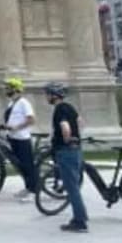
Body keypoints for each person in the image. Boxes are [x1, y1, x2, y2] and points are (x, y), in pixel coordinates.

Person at [45, 82, 88, 233]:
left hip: (66, 151)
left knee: (72, 188)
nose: (47, 97)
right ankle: (80, 218)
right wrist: (77, 137)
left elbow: (65, 127)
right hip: (76, 150)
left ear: (54, 95)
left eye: (48, 94)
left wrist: (67, 139)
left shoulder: (59, 109)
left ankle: (80, 221)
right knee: (74, 185)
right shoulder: (70, 107)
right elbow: (80, 122)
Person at [3, 77, 36, 201]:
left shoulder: (24, 103)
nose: (6, 90)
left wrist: (16, 127)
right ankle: (27, 187)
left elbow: (31, 119)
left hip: (22, 138)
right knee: (21, 165)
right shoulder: (11, 103)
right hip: (13, 137)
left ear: (16, 89)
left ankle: (33, 190)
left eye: (8, 88)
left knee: (28, 165)